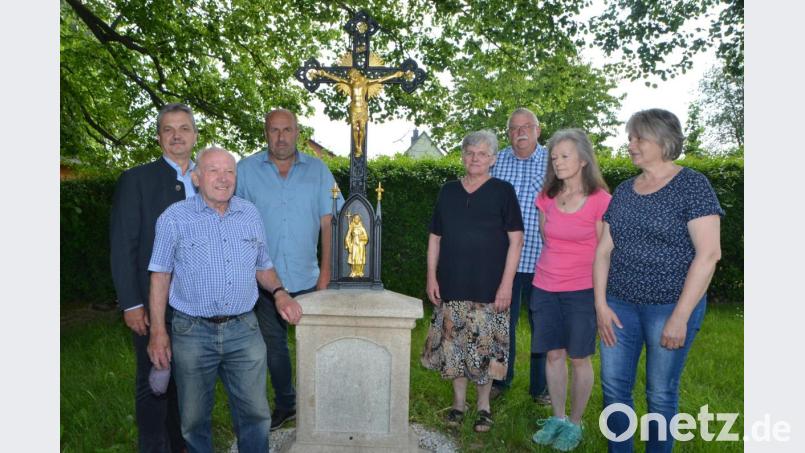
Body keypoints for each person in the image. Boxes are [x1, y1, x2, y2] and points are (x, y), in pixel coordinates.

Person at [147, 147, 303, 453]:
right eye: (214, 170)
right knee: (193, 421)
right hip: (192, 332)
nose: (223, 178)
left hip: (244, 330)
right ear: (196, 178)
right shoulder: (173, 219)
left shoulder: (250, 214)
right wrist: (157, 331)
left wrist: (280, 293)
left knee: (256, 415)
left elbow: (263, 265)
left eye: (229, 171)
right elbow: (160, 276)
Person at [594, 109, 723, 452]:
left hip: (670, 306)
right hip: (619, 305)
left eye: (638, 137)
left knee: (661, 392)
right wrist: (600, 305)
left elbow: (708, 254)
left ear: (663, 141)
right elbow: (603, 251)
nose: (630, 144)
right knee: (614, 389)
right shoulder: (623, 190)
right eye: (630, 137)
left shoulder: (692, 185)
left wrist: (680, 317)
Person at [235, 108, 344, 430]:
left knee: (317, 345)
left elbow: (331, 224)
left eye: (287, 130)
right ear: (265, 133)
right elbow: (233, 222)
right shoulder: (245, 170)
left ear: (297, 132)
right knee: (274, 348)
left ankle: (321, 404)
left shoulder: (319, 170)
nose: (280, 137)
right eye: (274, 130)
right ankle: (287, 403)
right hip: (264, 280)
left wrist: (325, 277)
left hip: (309, 278)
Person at [421, 130, 524, 433]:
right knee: (453, 348)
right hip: (452, 284)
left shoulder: (503, 191)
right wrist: (431, 276)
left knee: (484, 349)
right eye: (469, 152)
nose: (475, 158)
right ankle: (457, 405)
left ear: (493, 158)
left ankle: (483, 406)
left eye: (482, 153)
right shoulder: (448, 191)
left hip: (490, 287)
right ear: (462, 156)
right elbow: (435, 237)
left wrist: (506, 285)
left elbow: (516, 241)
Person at [110, 102, 198, 453]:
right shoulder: (136, 180)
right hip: (151, 304)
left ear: (194, 135)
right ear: (159, 137)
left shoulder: (208, 179)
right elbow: (122, 247)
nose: (177, 136)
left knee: (187, 384)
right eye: (168, 129)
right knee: (155, 382)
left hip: (197, 305)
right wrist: (132, 303)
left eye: (184, 129)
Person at [529, 129, 611, 451]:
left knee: (579, 358)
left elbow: (604, 251)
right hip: (545, 286)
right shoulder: (547, 196)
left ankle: (575, 424)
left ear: (583, 160)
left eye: (564, 156)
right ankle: (558, 419)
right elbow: (547, 238)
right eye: (554, 157)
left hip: (582, 290)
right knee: (553, 354)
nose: (557, 162)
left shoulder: (601, 200)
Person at [489, 107, 549, 403]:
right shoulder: (496, 161)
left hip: (544, 260)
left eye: (527, 126)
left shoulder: (555, 161)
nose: (520, 132)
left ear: (538, 130)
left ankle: (540, 388)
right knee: (502, 323)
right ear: (508, 134)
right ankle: (500, 381)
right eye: (514, 128)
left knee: (543, 325)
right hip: (505, 262)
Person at [311, 68, 409, 157]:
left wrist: (395, 75)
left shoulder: (365, 81)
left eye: (353, 76)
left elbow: (380, 80)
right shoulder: (351, 83)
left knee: (361, 128)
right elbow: (338, 79)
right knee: (354, 127)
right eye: (350, 77)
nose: (352, 78)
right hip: (354, 108)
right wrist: (325, 74)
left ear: (356, 74)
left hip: (362, 109)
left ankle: (359, 146)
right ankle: (357, 147)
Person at [345, 213, 369, 277]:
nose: (357, 219)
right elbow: (348, 236)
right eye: (356, 218)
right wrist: (349, 245)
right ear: (353, 219)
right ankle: (353, 271)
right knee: (354, 258)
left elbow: (366, 237)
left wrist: (360, 237)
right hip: (354, 245)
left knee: (360, 258)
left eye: (358, 218)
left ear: (360, 220)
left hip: (361, 245)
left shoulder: (362, 228)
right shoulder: (351, 227)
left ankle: (360, 272)